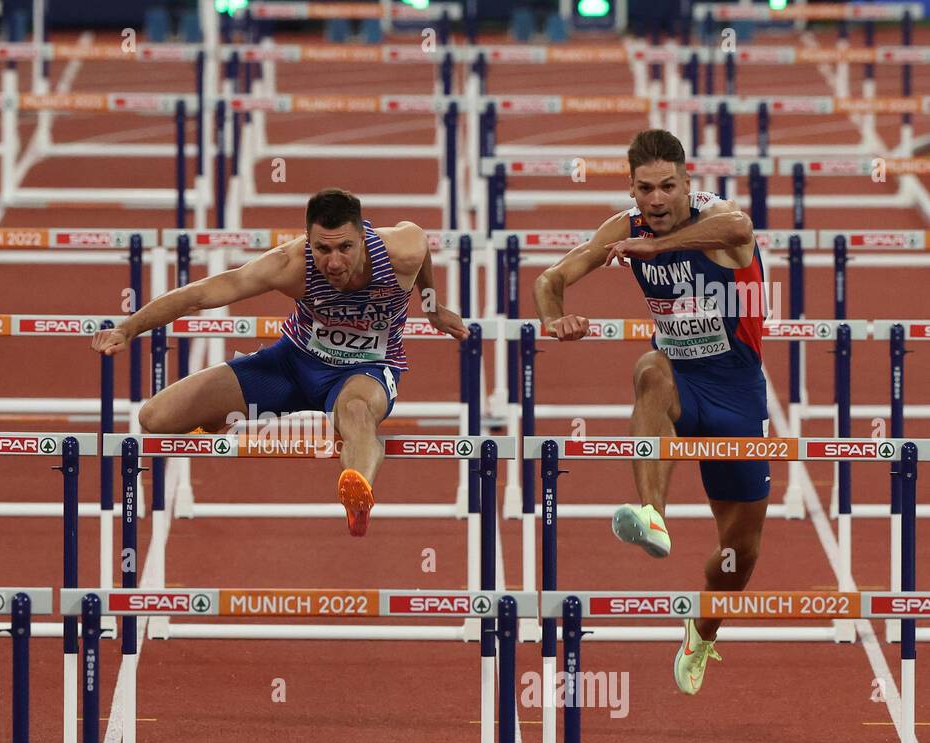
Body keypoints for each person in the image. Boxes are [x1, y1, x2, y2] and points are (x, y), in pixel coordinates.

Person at [534, 129, 769, 695]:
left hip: (737, 391)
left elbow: (742, 230)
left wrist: (659, 249)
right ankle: (653, 515)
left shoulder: (719, 221)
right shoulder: (624, 226)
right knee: (650, 371)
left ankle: (703, 632)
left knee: (737, 556)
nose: (658, 199)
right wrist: (555, 317)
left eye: (668, 186)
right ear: (631, 189)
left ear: (689, 184)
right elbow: (551, 278)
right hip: (682, 381)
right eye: (646, 189)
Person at [91, 187, 468, 536]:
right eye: (322, 249)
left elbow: (423, 257)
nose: (334, 262)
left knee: (355, 412)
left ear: (363, 237)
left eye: (345, 248)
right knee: (155, 419)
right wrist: (128, 328)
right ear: (308, 241)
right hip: (291, 363)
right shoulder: (290, 264)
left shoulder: (401, 249)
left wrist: (432, 307)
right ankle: (216, 417)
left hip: (364, 370)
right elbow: (200, 295)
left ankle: (358, 490)